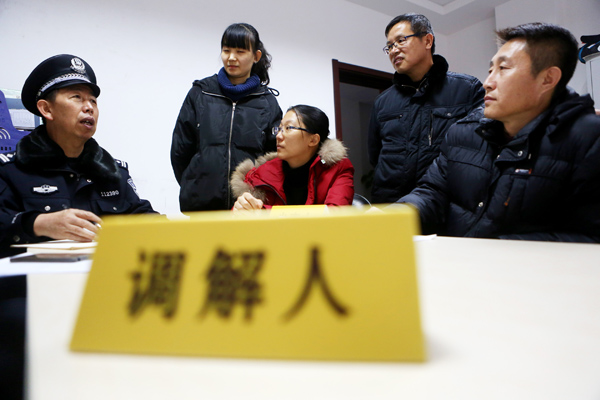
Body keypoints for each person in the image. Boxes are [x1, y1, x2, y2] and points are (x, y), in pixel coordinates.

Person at [397, 22, 600, 243]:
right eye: (490, 70)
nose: (487, 83)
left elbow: (589, 237)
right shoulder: (463, 131)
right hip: (457, 261)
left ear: (547, 79)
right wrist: (396, 216)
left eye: (503, 69)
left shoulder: (588, 140)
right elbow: (433, 191)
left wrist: (496, 250)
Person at [0, 54, 156, 253]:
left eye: (93, 101)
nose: (89, 107)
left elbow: (141, 216)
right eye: (77, 97)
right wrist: (38, 224)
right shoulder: (10, 170)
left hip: (102, 270)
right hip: (37, 272)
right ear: (46, 109)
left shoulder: (112, 171)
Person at [368, 13, 484, 204]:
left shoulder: (467, 89)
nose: (393, 50)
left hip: (446, 203)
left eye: (400, 41)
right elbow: (375, 156)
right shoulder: (383, 101)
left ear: (427, 41)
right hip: (392, 204)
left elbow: (479, 149)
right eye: (389, 46)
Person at [171, 22, 282, 212]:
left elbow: (274, 157)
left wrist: (257, 195)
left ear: (256, 56)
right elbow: (180, 150)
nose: (231, 57)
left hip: (247, 208)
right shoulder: (201, 93)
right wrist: (195, 184)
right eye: (226, 50)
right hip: (201, 206)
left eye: (240, 51)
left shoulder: (267, 102)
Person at [231, 105, 354, 210]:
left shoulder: (338, 168)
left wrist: (263, 213)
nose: (278, 136)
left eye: (288, 128)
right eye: (279, 129)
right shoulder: (262, 173)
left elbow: (335, 214)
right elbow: (240, 218)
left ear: (313, 140)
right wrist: (240, 209)